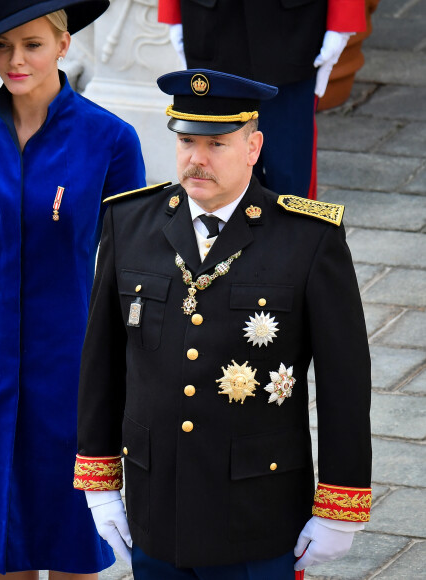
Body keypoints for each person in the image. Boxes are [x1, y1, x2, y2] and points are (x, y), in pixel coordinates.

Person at [73, 69, 372, 579]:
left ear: (253, 147)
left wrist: (339, 508)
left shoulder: (307, 239)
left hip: (256, 511)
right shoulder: (129, 224)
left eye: (217, 143)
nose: (197, 158)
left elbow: (346, 383)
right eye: (187, 141)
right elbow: (102, 365)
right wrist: (101, 485)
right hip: (155, 506)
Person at [0, 0, 146, 578]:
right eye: (2, 46)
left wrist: (132, 384)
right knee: (0, 539)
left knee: (70, 538)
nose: (15, 60)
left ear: (64, 45)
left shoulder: (110, 140)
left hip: (67, 370)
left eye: (32, 44)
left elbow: (131, 277)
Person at [158, 0, 367, 200]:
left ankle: (292, 237)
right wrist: (171, 10)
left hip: (294, 27)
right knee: (218, 174)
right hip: (209, 21)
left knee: (290, 177)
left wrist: (343, 17)